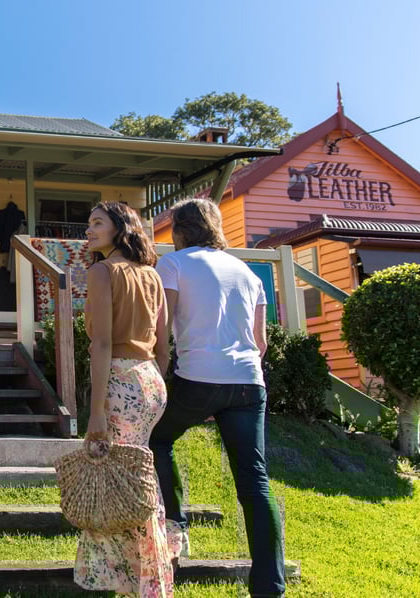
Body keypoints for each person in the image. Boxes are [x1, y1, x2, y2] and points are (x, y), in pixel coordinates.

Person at [150, 198, 285, 598]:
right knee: (255, 482)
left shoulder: (173, 265)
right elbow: (260, 343)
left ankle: (177, 528)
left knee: (158, 440)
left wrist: (161, 372)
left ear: (179, 229)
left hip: (197, 378)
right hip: (248, 382)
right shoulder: (247, 272)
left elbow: (163, 327)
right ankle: (269, 587)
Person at [74, 201, 178, 597]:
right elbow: (164, 346)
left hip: (118, 378)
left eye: (97, 223)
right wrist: (151, 383)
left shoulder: (102, 272)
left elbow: (101, 342)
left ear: (120, 228)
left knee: (118, 482)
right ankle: (146, 575)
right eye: (89, 223)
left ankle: (138, 582)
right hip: (149, 380)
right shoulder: (152, 275)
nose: (89, 230)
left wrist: (96, 410)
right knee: (138, 478)